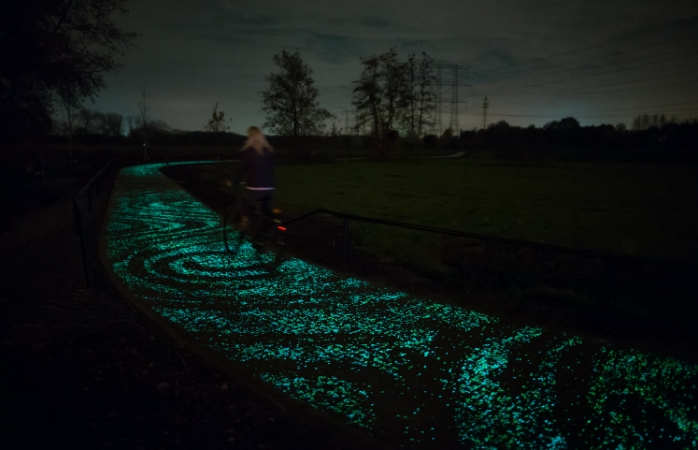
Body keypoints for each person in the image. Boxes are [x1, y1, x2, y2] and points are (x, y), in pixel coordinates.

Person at [228, 126, 275, 232]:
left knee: (240, 195)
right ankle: (264, 231)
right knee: (264, 209)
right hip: (270, 189)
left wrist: (233, 182)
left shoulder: (248, 151)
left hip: (255, 189)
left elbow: (241, 170)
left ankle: (245, 220)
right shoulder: (269, 150)